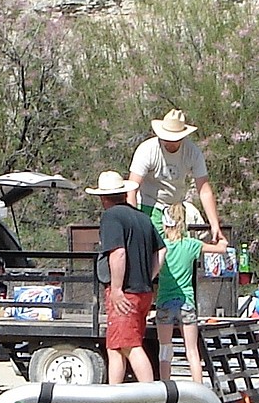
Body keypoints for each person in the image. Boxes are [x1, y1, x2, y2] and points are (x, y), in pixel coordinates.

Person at [90, 170, 163, 384]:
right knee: (116, 346)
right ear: (123, 193)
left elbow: (118, 253)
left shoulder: (111, 217)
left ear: (103, 198)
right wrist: (148, 276)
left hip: (126, 292)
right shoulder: (142, 218)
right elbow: (161, 251)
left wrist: (116, 288)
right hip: (143, 291)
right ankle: (114, 393)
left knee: (130, 345)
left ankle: (152, 394)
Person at [128, 110, 227, 247]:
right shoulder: (147, 150)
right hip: (149, 204)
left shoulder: (192, 152)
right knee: (153, 249)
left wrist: (214, 225)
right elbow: (132, 188)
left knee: (179, 249)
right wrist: (134, 221)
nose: (170, 142)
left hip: (176, 207)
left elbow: (204, 190)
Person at [155, 201, 207, 384]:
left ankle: (165, 388)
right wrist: (219, 236)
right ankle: (199, 389)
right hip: (187, 301)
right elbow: (221, 248)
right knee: (192, 351)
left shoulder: (162, 247)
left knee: (165, 349)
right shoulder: (191, 245)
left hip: (164, 300)